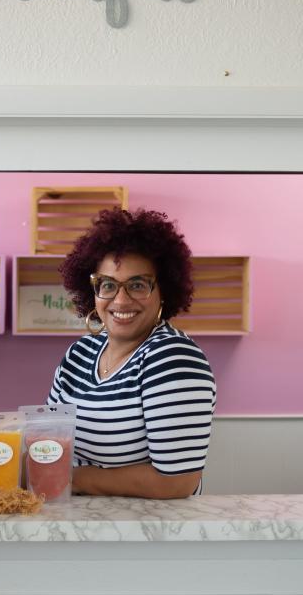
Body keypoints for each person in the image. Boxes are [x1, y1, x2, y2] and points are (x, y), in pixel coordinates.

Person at [47, 208, 216, 499]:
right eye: (108, 284)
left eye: (138, 285)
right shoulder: (79, 354)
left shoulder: (173, 359)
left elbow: (177, 482)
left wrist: (74, 478)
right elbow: (49, 441)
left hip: (150, 537)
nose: (121, 299)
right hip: (79, 528)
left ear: (164, 290)